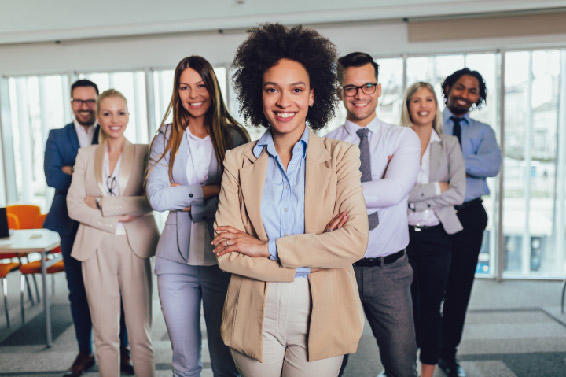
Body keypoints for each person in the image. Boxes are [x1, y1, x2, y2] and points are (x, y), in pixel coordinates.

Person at [211, 24, 368, 377]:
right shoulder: (238, 160)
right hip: (254, 308)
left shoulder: (341, 156)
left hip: (323, 307)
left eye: (296, 89)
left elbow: (354, 242)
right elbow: (227, 253)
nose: (284, 102)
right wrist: (317, 251)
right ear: (259, 94)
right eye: (273, 90)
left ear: (313, 95)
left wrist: (264, 247)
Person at [146, 55, 248, 377]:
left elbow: (241, 197)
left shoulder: (235, 137)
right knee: (185, 361)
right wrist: (207, 190)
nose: (193, 95)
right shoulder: (166, 137)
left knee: (225, 360)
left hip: (222, 261)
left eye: (200, 85)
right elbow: (157, 197)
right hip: (174, 263)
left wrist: (185, 193)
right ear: (177, 92)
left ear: (212, 88)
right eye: (184, 87)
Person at [326, 52, 420, 377]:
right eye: (351, 88)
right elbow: (317, 204)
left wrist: (340, 193)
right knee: (328, 365)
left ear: (378, 89)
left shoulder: (403, 138)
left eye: (367, 86)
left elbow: (395, 191)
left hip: (389, 271)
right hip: (338, 271)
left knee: (401, 365)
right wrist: (378, 185)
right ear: (341, 93)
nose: (359, 94)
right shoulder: (326, 145)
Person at [43, 80, 133, 377]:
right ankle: (85, 352)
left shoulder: (109, 129)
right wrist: (85, 181)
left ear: (97, 103)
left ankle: (122, 352)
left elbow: (118, 174)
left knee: (116, 290)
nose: (84, 106)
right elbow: (53, 177)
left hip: (106, 224)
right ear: (71, 103)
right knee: (78, 292)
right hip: (70, 225)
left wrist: (77, 171)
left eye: (89, 101)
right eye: (78, 101)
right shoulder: (57, 136)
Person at [67, 89, 159, 377]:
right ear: (99, 117)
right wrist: (112, 219)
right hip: (95, 247)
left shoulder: (144, 152)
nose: (114, 119)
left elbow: (151, 200)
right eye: (107, 113)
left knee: (140, 333)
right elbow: (73, 206)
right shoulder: (86, 154)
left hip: (134, 246)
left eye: (120, 112)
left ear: (128, 116)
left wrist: (102, 204)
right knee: (105, 333)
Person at [438, 68, 502, 377]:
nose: (465, 94)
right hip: (431, 214)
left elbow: (492, 166)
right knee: (425, 288)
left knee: (459, 289)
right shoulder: (428, 122)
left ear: (479, 97)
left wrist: (451, 157)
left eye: (473, 90)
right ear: (448, 88)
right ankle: (421, 348)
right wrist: (467, 161)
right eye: (460, 87)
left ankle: (448, 353)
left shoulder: (484, 131)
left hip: (470, 215)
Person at [400, 82, 465, 377]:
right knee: (404, 312)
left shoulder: (449, 144)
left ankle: (427, 373)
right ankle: (401, 369)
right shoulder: (398, 141)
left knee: (430, 309)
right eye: (416, 100)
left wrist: (412, 192)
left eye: (428, 100)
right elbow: (393, 192)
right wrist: (436, 187)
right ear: (408, 106)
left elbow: (458, 192)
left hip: (439, 235)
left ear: (436, 107)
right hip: (401, 237)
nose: (423, 105)